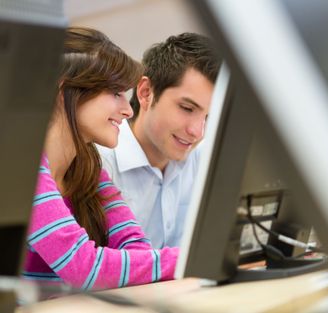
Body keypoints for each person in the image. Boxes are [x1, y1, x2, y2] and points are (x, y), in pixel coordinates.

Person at [22, 27, 178, 290]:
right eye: (116, 93)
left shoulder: (88, 167)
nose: (128, 110)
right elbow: (84, 268)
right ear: (64, 89)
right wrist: (186, 258)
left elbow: (137, 248)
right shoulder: (24, 170)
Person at [98, 33, 221, 248]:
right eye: (187, 108)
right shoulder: (99, 163)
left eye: (208, 117)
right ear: (146, 93)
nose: (197, 132)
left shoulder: (204, 160)